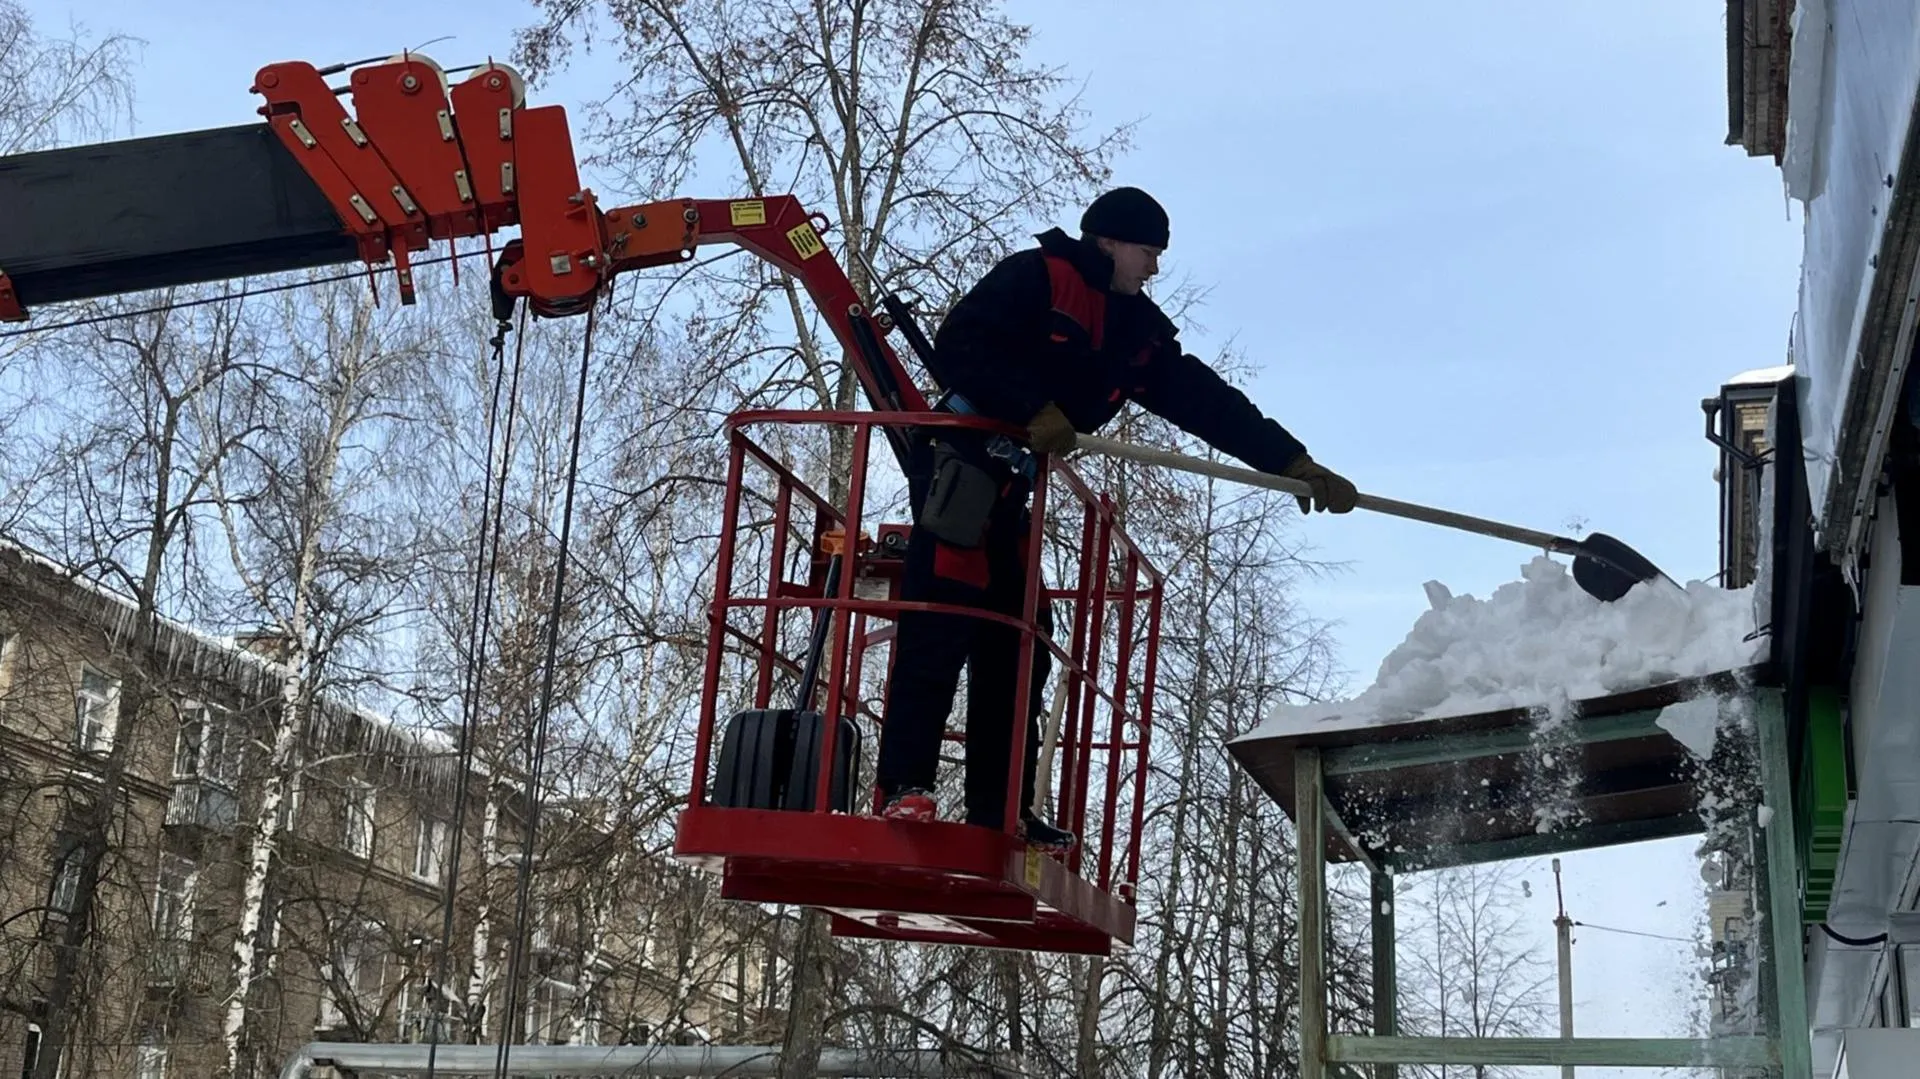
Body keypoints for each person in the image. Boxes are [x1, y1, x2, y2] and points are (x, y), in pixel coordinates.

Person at [873, 186, 1358, 852]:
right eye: (1148, 253)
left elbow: (1204, 400)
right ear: (1108, 240)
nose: (1153, 269)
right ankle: (905, 786)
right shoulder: (1037, 277)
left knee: (1022, 639)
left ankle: (1000, 811)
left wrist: (1290, 460)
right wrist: (1030, 404)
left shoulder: (1136, 332)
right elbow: (964, 341)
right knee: (943, 616)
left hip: (1015, 486)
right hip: (964, 465)